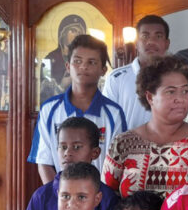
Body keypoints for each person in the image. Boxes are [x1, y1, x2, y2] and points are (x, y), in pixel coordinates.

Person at [28, 35, 128, 184]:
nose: (83, 66)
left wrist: (101, 198)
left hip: (100, 197)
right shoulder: (49, 109)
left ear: (103, 70)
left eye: (92, 62)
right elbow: (44, 161)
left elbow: (117, 165)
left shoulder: (113, 113)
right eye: (77, 61)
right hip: (60, 197)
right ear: (68, 66)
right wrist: (58, 196)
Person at [103, 56, 188, 198]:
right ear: (150, 97)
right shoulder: (123, 143)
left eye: (185, 91)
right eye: (171, 92)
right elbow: (106, 198)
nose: (181, 99)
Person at [20, 117, 122, 210]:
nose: (67, 153)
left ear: (95, 152)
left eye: (77, 147)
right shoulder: (41, 196)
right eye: (63, 147)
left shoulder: (107, 197)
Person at [104, 15, 171, 129]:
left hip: (167, 145)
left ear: (167, 44)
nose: (151, 41)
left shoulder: (176, 78)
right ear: (136, 43)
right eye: (145, 36)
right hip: (124, 145)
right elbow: (106, 119)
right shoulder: (116, 78)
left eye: (158, 36)